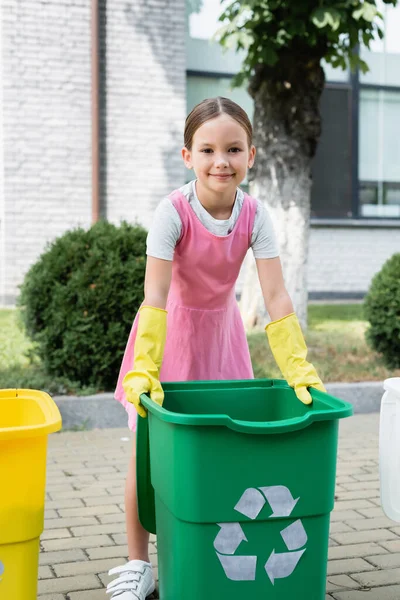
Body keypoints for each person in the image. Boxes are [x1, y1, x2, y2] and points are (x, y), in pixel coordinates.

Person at [106, 97, 325, 600]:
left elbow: (275, 295)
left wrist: (297, 366)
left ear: (252, 154)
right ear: (188, 156)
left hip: (223, 338)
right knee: (148, 454)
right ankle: (139, 563)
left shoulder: (255, 215)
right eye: (207, 150)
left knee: (224, 452)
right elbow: (155, 295)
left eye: (233, 149)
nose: (220, 161)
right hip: (169, 335)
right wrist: (145, 365)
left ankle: (217, 547)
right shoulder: (173, 211)